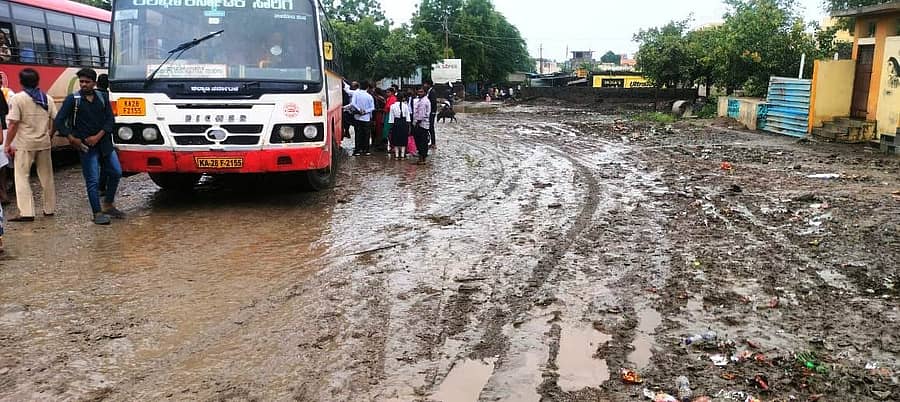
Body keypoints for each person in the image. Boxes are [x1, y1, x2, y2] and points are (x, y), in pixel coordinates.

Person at [54, 68, 123, 225]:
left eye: (87, 82)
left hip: (104, 144)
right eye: (82, 82)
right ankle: (97, 212)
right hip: (86, 147)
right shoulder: (73, 99)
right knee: (92, 180)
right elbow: (59, 121)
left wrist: (97, 136)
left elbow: (110, 120)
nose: (84, 84)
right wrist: (72, 138)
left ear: (94, 83)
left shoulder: (102, 97)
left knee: (116, 172)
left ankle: (109, 204)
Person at [3, 68, 58, 222]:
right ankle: (49, 209)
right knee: (47, 178)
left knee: (21, 177)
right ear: (37, 81)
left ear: (21, 82)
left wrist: (7, 144)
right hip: (43, 143)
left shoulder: (18, 99)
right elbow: (57, 119)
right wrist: (50, 134)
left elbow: (13, 124)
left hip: (25, 145)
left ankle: (26, 212)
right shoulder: (46, 98)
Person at [344, 80, 374, 156]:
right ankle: (366, 150)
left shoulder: (356, 94)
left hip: (357, 117)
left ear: (360, 86)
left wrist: (359, 109)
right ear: (367, 87)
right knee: (366, 134)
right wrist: (365, 111)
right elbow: (372, 108)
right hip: (366, 118)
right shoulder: (369, 96)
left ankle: (357, 150)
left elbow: (353, 103)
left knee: (358, 134)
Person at [96, 74, 110, 197]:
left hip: (90, 135)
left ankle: (95, 186)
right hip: (104, 135)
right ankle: (101, 186)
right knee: (105, 162)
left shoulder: (91, 96)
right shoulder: (108, 97)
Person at [0, 84, 14, 204]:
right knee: (3, 164)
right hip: (2, 130)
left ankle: (3, 194)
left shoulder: (6, 92)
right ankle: (4, 193)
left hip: (2, 130)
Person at [411, 87, 431, 165]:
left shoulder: (424, 101)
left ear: (425, 93)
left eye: (421, 92)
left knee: (421, 142)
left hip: (421, 125)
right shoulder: (420, 100)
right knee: (421, 142)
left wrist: (416, 124)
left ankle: (422, 158)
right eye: (418, 92)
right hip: (421, 124)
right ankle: (422, 157)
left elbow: (421, 115)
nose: (419, 93)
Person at [388, 91, 410, 160]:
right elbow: (408, 118)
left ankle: (397, 155)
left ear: (396, 98)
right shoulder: (406, 106)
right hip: (404, 123)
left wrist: (391, 127)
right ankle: (403, 154)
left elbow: (391, 118)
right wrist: (408, 126)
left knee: (396, 138)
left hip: (396, 122)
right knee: (403, 138)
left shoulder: (392, 106)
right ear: (402, 98)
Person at [423, 79, 437, 150]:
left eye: (425, 84)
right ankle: (432, 143)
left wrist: (431, 112)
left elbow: (433, 103)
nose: (424, 86)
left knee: (431, 127)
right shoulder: (429, 92)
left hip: (431, 113)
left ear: (428, 84)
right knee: (429, 127)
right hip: (430, 113)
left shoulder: (432, 92)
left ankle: (433, 144)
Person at [381, 87, 396, 154]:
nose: (387, 94)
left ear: (392, 92)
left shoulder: (393, 98)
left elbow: (389, 107)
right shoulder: (389, 98)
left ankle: (392, 146)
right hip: (388, 115)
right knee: (388, 132)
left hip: (390, 115)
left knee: (389, 131)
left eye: (388, 92)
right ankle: (391, 146)